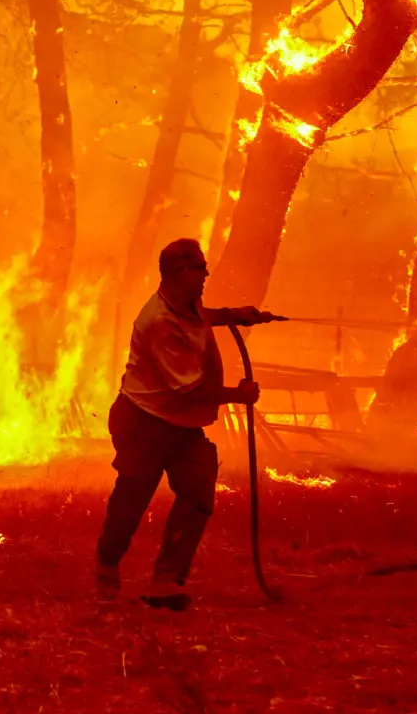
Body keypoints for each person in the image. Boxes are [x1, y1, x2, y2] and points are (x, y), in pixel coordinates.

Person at [96, 238, 278, 611]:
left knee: (197, 492)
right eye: (199, 268)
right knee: (132, 501)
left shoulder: (183, 302)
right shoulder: (158, 322)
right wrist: (238, 395)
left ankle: (165, 580)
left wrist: (233, 314)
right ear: (179, 273)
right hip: (143, 424)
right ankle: (107, 561)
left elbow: (199, 316)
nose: (206, 274)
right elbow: (190, 390)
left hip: (181, 427)